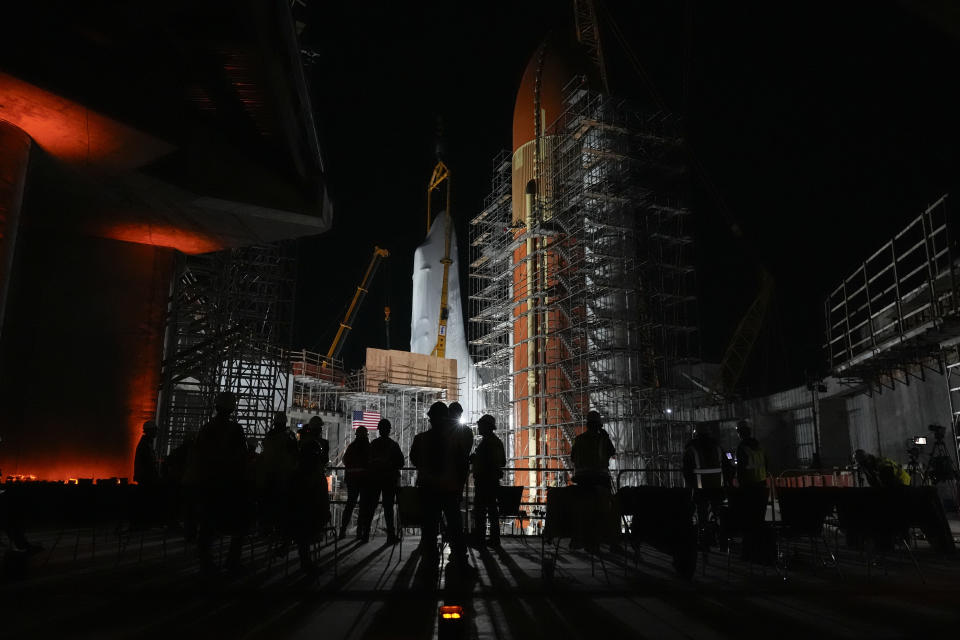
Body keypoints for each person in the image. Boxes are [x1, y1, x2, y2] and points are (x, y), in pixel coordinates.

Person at [410, 401, 473, 569]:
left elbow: (415, 460)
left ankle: (429, 561)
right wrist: (459, 486)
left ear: (430, 419)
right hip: (449, 490)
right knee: (455, 527)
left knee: (429, 529)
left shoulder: (420, 439)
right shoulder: (456, 441)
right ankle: (459, 560)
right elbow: (463, 465)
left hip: (428, 490)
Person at [194, 391, 248, 576]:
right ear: (232, 408)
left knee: (208, 526)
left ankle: (205, 563)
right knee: (238, 525)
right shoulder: (235, 430)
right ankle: (232, 562)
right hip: (229, 485)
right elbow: (242, 457)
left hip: (208, 483)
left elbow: (199, 456)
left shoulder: (207, 429)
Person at [290, 417, 331, 575]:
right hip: (314, 485)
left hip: (301, 488)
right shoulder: (321, 445)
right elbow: (325, 460)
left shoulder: (301, 444)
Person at [359, 418, 405, 545]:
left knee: (371, 507)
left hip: (374, 480)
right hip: (389, 480)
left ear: (379, 430)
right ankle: (390, 535)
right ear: (389, 430)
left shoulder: (373, 444)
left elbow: (366, 462)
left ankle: (365, 534)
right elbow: (401, 463)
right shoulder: (393, 445)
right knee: (388, 508)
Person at [259, 411, 298, 533]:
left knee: (268, 502)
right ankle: (280, 529)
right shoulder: (290, 436)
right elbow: (295, 453)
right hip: (284, 475)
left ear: (275, 422)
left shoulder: (270, 435)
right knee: (282, 503)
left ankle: (267, 527)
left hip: (269, 473)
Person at [470, 414, 505, 548]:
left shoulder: (486, 443)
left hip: (484, 481)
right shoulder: (497, 442)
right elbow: (502, 461)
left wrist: (476, 459)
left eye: (480, 425)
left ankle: (480, 539)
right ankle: (494, 539)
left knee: (480, 512)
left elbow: (486, 462)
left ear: (486, 426)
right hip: (493, 480)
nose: (478, 428)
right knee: (492, 511)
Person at [570, 411, 615, 488]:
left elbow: (572, 458)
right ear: (598, 425)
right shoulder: (602, 439)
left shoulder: (578, 439)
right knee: (607, 496)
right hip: (599, 476)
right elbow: (612, 451)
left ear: (587, 425)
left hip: (581, 477)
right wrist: (605, 435)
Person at [340, 425, 370, 541]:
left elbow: (344, 460)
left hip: (352, 479)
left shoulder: (352, 446)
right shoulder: (367, 447)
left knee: (350, 505)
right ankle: (359, 532)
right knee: (363, 506)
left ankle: (343, 530)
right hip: (364, 480)